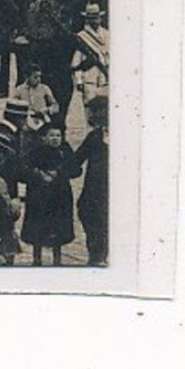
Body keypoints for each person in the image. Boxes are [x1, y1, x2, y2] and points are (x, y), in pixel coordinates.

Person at [21, 122, 76, 265]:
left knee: (58, 228)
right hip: (39, 195)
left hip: (60, 195)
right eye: (51, 135)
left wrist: (59, 173)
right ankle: (36, 258)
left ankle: (57, 259)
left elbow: (76, 169)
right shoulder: (35, 151)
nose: (55, 138)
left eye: (58, 135)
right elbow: (23, 169)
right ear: (43, 137)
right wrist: (39, 175)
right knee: (37, 227)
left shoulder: (65, 150)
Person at [70, 94, 109, 265]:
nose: (89, 117)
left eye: (91, 113)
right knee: (90, 216)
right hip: (93, 192)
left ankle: (99, 256)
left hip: (103, 192)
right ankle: (97, 256)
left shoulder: (98, 136)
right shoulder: (94, 136)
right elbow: (75, 162)